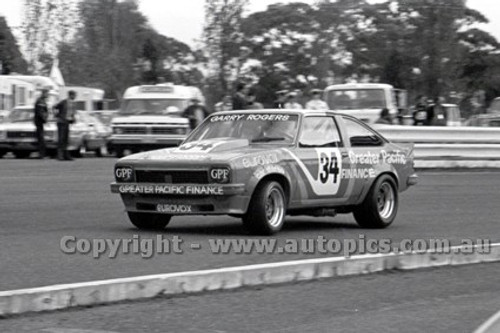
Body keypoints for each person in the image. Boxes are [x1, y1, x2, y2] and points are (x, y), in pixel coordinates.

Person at [54, 90, 77, 161]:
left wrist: (73, 118)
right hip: (61, 122)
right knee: (61, 138)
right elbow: (55, 107)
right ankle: (60, 155)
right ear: (70, 95)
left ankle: (66, 155)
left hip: (67, 122)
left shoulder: (73, 104)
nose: (75, 97)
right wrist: (57, 115)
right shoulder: (64, 102)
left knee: (66, 139)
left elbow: (72, 113)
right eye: (74, 95)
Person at [33, 88, 50, 159]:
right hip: (39, 121)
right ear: (43, 93)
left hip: (40, 122)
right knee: (41, 138)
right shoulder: (40, 101)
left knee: (41, 138)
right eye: (47, 93)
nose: (48, 95)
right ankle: (41, 154)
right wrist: (45, 119)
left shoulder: (42, 101)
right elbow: (41, 112)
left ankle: (42, 154)